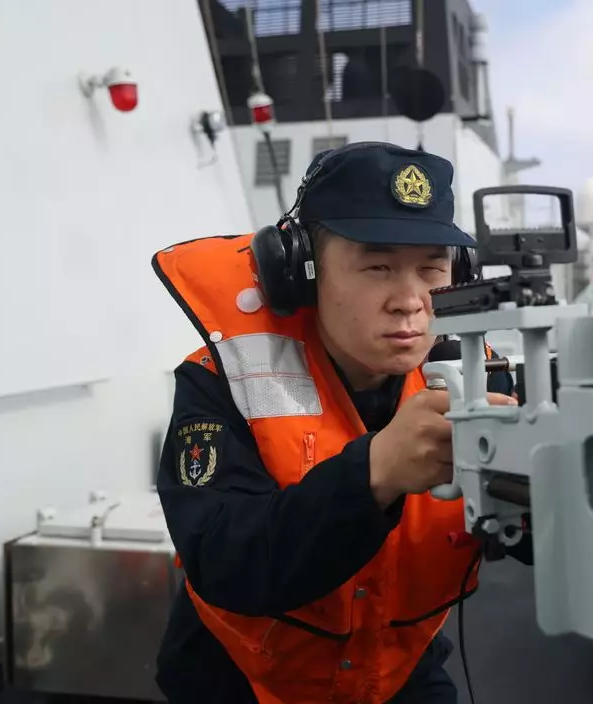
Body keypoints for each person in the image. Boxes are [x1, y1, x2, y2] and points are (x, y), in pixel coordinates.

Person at [150, 142, 529, 704]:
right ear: (301, 274)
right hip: (241, 676)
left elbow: (542, 538)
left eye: (432, 268)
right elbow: (223, 559)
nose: (411, 300)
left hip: (395, 668)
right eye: (378, 267)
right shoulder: (223, 380)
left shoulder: (479, 376)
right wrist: (373, 473)